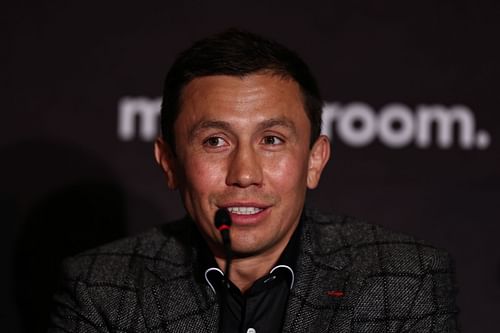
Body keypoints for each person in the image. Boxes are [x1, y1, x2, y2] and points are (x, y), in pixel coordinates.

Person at [49, 29, 459, 332]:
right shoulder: (101, 289)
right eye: (215, 141)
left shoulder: (404, 279)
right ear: (170, 162)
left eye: (272, 140)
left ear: (315, 160)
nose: (244, 174)